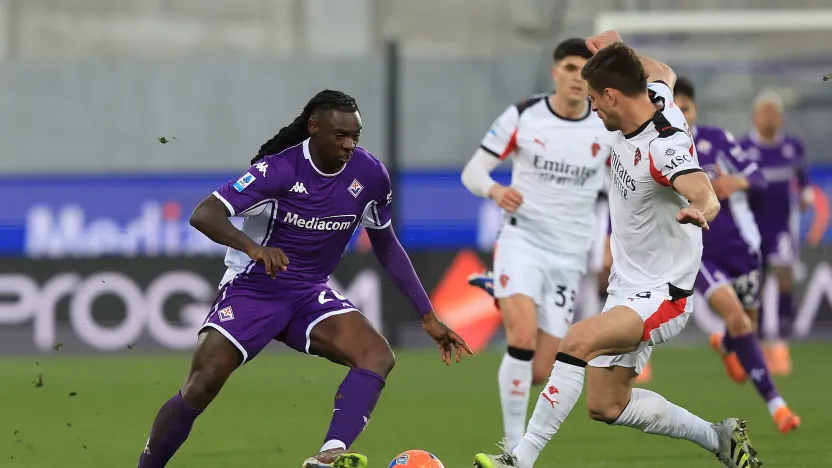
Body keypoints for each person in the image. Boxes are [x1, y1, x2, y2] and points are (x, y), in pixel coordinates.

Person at [136, 90, 472, 468]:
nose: (348, 146)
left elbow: (387, 246)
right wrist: (254, 248)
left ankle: (330, 453)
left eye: (355, 137)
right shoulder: (277, 170)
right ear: (314, 129)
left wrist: (427, 315)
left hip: (309, 293)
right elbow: (204, 214)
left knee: (376, 355)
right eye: (339, 136)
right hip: (254, 289)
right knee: (202, 384)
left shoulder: (371, 176)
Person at [473, 32, 760, 468]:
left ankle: (519, 460)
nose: (591, 108)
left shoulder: (663, 148)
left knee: (575, 340)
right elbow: (664, 71)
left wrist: (700, 208)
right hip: (629, 283)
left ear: (611, 95)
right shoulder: (654, 94)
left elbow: (704, 190)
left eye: (593, 99)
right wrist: (620, 49)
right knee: (605, 404)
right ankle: (717, 437)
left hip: (664, 293)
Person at [461, 38, 616, 449]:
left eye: (585, 70)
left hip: (569, 255)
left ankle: (501, 291)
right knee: (522, 337)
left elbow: (619, 192)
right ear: (555, 73)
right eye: (569, 67)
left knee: (540, 370)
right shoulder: (525, 115)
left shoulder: (605, 125)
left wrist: (609, 243)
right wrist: (495, 191)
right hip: (522, 240)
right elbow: (473, 171)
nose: (577, 78)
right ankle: (513, 450)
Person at [674, 77, 799, 433]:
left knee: (748, 327)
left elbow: (758, 177)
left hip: (743, 248)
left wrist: (735, 182)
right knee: (740, 320)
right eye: (674, 108)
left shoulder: (717, 140)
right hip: (700, 252)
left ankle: (727, 343)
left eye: (686, 107)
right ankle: (779, 406)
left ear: (694, 109)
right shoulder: (663, 149)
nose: (681, 114)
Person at [739, 91, 811, 376]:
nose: (769, 117)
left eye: (774, 112)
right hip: (753, 228)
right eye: (764, 112)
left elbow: (802, 181)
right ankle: (751, 346)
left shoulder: (793, 147)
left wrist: (805, 195)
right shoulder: (744, 147)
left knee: (783, 278)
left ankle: (780, 344)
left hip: (781, 227)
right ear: (756, 116)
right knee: (754, 286)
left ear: (780, 117)